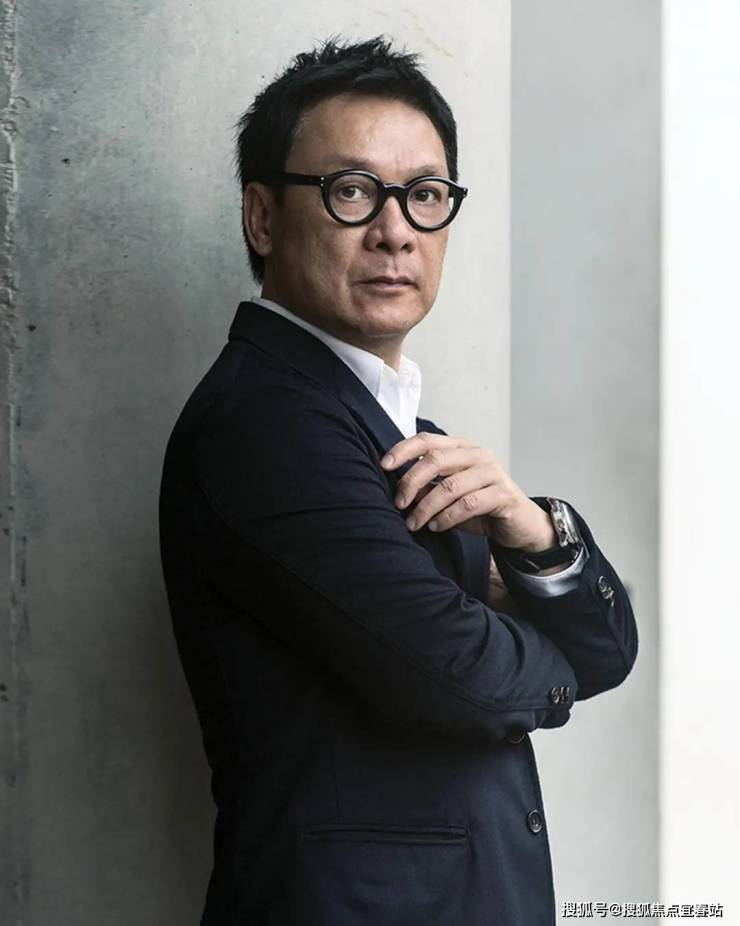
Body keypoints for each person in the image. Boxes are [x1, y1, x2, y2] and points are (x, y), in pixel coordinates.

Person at [158, 35, 638, 926]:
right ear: (262, 218)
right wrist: (550, 651)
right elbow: (460, 679)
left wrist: (536, 533)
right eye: (351, 191)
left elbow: (611, 651)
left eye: (424, 195)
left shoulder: (412, 440)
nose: (395, 231)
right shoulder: (266, 425)